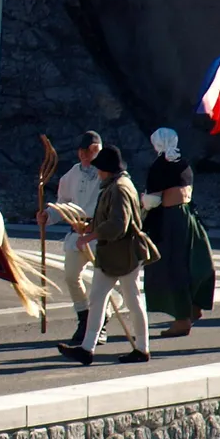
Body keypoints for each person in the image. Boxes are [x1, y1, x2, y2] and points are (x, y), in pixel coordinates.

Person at [56, 146, 153, 365]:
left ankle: (142, 348)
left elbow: (118, 225)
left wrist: (90, 236)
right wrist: (89, 228)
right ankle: (87, 348)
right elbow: (108, 220)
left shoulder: (119, 189)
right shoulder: (116, 186)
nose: (97, 172)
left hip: (123, 254)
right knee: (98, 299)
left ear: (107, 170)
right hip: (113, 254)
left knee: (133, 300)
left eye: (100, 169)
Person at [140, 128, 215, 338]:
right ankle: (194, 306)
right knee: (194, 262)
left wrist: (141, 200)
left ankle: (182, 320)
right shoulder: (184, 163)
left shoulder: (160, 166)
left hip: (170, 221)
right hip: (189, 217)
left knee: (173, 269)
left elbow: (153, 200)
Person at [42, 131, 113, 344]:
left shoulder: (108, 174)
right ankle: (84, 318)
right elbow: (62, 205)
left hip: (100, 232)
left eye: (91, 151)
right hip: (77, 233)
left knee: (102, 283)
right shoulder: (70, 176)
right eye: (83, 151)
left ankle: (101, 322)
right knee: (72, 276)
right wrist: (47, 216)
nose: (86, 155)